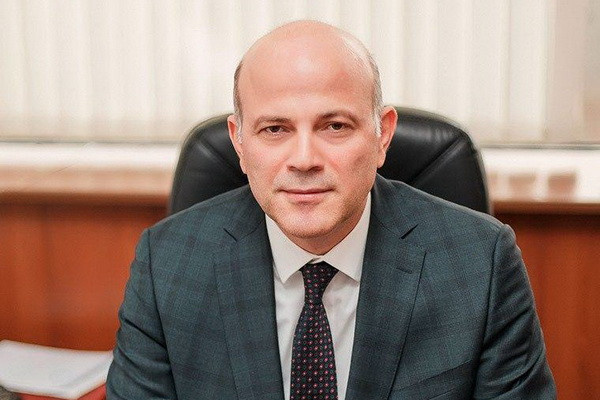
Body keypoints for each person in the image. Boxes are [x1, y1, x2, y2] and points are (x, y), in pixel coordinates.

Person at [107, 20, 556, 399]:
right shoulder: (166, 263)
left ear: (382, 135)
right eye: (275, 129)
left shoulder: (481, 263)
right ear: (239, 143)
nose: (304, 159)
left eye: (335, 126)